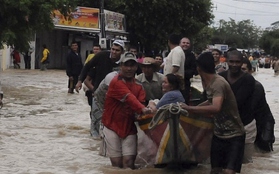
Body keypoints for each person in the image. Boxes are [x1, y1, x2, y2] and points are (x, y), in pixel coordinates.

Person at [180, 52, 245, 174]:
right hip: (219, 135)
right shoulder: (208, 83)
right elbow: (209, 101)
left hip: (234, 135)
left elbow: (216, 108)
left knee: (228, 172)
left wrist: (191, 109)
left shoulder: (218, 83)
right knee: (215, 171)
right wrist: (190, 110)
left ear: (199, 68)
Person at [101, 52, 152, 169]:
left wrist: (144, 111)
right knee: (117, 163)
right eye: (126, 65)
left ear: (136, 67)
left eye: (132, 65)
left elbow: (140, 103)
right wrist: (143, 109)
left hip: (129, 126)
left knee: (129, 163)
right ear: (120, 66)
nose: (129, 68)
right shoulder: (115, 82)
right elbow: (130, 98)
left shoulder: (139, 86)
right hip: (111, 125)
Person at [75, 40, 125, 137]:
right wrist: (80, 80)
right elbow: (87, 66)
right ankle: (94, 141)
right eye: (112, 49)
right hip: (98, 94)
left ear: (122, 52)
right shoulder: (102, 56)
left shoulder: (125, 62)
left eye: (117, 50)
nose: (114, 52)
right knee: (96, 120)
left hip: (117, 97)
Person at [219, 50, 256, 164]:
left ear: (241, 63)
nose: (234, 65)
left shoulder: (248, 79)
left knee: (245, 163)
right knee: (223, 162)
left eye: (237, 62)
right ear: (226, 61)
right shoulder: (221, 77)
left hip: (245, 125)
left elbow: (237, 101)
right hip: (223, 125)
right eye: (231, 61)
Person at [241, 59, 275, 152]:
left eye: (244, 69)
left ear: (250, 71)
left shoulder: (256, 86)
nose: (241, 72)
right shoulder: (235, 85)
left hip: (263, 123)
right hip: (250, 123)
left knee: (263, 154)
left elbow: (250, 109)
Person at [180, 37, 197, 104]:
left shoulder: (191, 55)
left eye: (187, 43)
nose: (185, 44)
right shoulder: (175, 53)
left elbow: (194, 69)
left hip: (185, 82)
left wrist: (182, 74)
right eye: (183, 43)